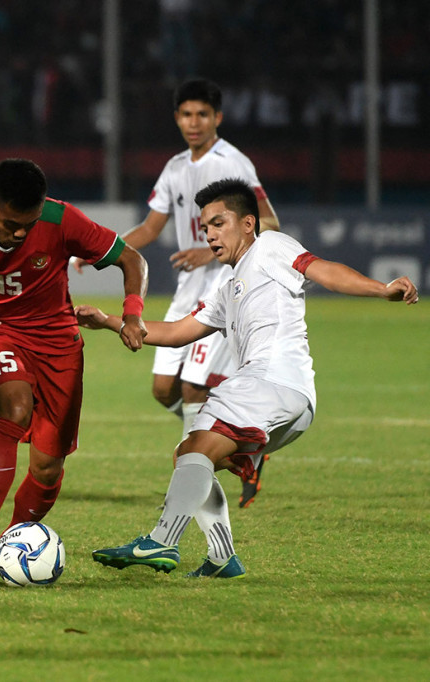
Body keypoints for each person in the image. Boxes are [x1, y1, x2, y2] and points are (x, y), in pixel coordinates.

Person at [81, 178, 418, 578]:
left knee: (196, 447)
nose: (209, 235)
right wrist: (108, 322)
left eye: (218, 223)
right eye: (205, 228)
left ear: (246, 224)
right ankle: (223, 558)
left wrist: (382, 290)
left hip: (270, 380)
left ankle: (161, 541)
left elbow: (324, 270)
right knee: (188, 454)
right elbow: (174, 334)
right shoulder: (229, 288)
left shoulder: (270, 247)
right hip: (290, 401)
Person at [0, 158, 148, 577]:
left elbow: (132, 260)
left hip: (59, 343)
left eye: (27, 225)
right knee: (14, 409)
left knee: (48, 467)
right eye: (10, 224)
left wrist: (132, 314)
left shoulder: (61, 219)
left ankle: (15, 543)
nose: (19, 233)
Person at [76, 78, 280, 508]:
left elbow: (270, 223)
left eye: (202, 114)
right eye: (186, 114)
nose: (193, 122)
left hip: (225, 285)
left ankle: (198, 478)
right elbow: (151, 228)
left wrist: (212, 253)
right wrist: (100, 251)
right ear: (176, 118)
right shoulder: (174, 168)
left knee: (193, 388)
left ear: (217, 118)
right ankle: (237, 446)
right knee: (163, 388)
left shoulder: (235, 163)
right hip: (188, 288)